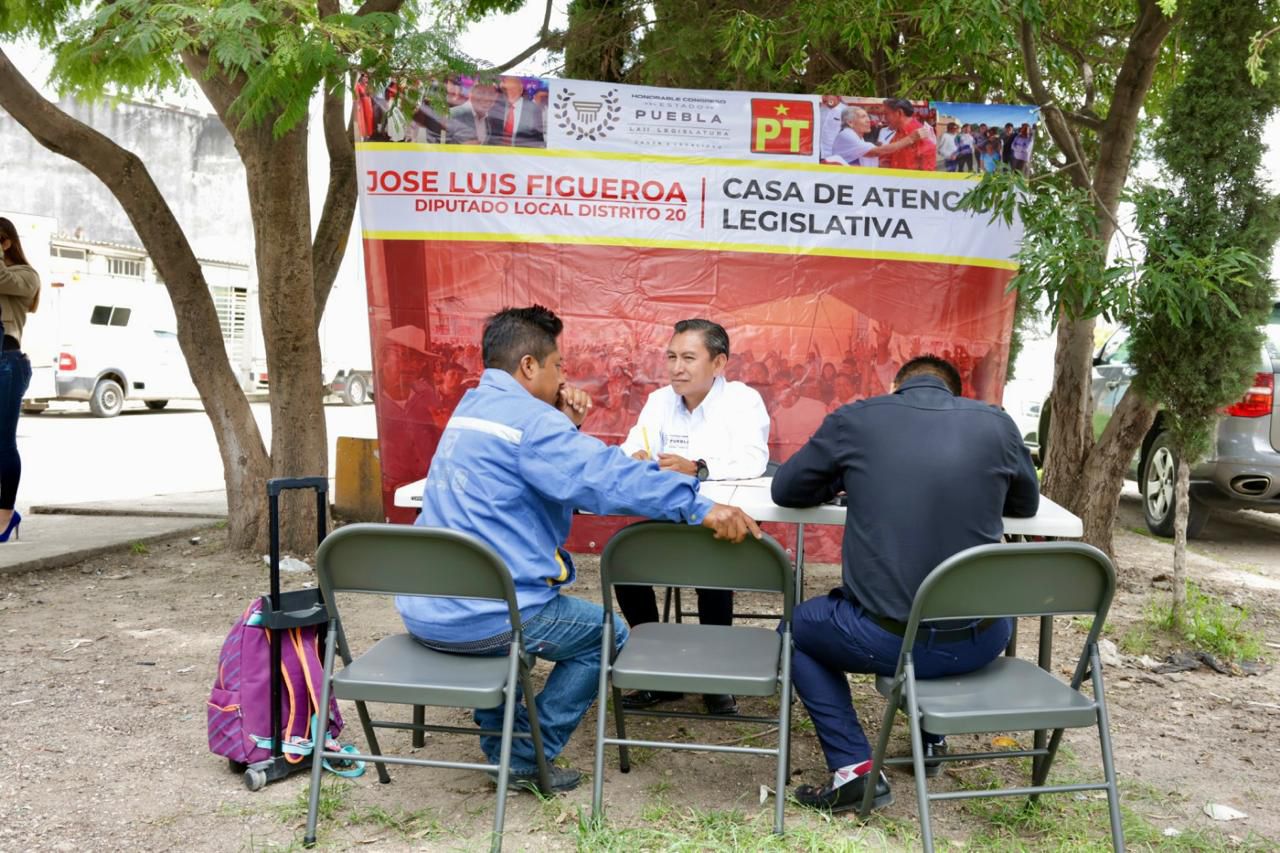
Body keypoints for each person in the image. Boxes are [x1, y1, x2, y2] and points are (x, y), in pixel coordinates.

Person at [396, 306, 762, 795]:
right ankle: (525, 757)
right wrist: (695, 504)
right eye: (558, 366)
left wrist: (560, 425)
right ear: (530, 367)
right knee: (605, 637)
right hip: (487, 617)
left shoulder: (471, 409)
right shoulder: (532, 423)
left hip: (427, 607)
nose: (563, 376)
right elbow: (606, 475)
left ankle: (505, 744)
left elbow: (545, 468)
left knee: (506, 625)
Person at [771, 355, 1039, 813]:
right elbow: (1025, 502)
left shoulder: (855, 421)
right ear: (954, 393)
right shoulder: (997, 425)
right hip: (984, 636)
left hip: (887, 640)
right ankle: (928, 744)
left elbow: (787, 491)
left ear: (897, 385)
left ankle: (855, 770)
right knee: (937, 602)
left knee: (797, 631)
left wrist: (846, 477)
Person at [615, 319, 770, 716]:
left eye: (688, 358)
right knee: (625, 565)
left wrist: (698, 467)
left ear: (718, 363)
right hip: (668, 518)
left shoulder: (743, 400)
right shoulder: (659, 400)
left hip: (719, 519)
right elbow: (635, 446)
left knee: (711, 570)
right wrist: (635, 459)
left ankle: (715, 677)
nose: (676, 368)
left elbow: (754, 459)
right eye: (670, 357)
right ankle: (660, 670)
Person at [0, 218, 40, 543]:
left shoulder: (26, 276)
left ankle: (6, 514)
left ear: (6, 242)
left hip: (7, 362)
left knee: (4, 442)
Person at [829, 106, 929, 168]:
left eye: (868, 116)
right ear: (850, 122)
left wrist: (879, 163)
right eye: (863, 117)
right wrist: (911, 138)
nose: (868, 120)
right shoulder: (847, 134)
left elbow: (865, 156)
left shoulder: (858, 137)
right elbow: (876, 151)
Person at [877, 98, 936, 171]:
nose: (883, 119)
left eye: (886, 114)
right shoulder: (899, 133)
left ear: (899, 113)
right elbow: (887, 158)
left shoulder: (921, 135)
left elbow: (926, 175)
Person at [488, 75, 544, 147]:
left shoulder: (533, 109)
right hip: (497, 153)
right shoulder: (495, 107)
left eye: (513, 88)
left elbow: (538, 137)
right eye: (506, 89)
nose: (509, 92)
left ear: (521, 90)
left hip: (523, 154)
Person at [818, 94, 845, 161]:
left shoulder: (845, 111)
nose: (824, 97)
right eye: (824, 95)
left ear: (838, 96)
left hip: (834, 153)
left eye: (827, 95)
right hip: (818, 152)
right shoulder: (820, 109)